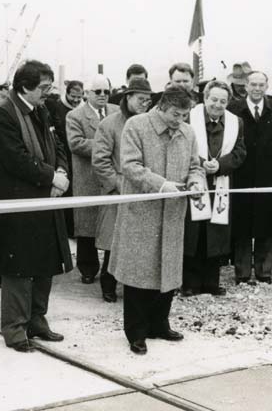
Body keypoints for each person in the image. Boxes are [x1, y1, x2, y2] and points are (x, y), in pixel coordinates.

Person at [109, 86, 205, 355]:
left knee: (169, 271)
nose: (181, 120)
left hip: (173, 213)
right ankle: (136, 332)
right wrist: (161, 185)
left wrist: (196, 182)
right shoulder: (136, 126)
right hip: (143, 214)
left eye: (186, 114)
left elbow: (195, 166)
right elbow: (130, 166)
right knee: (139, 274)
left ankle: (160, 324)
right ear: (162, 106)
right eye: (176, 113)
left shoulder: (188, 132)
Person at [0, 60, 73, 352]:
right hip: (18, 203)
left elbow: (58, 144)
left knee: (45, 264)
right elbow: (16, 158)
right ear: (25, 86)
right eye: (43, 87)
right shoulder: (3, 114)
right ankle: (15, 329)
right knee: (19, 268)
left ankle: (37, 320)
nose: (48, 93)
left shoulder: (42, 109)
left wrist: (60, 172)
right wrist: (52, 177)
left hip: (45, 201)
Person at [182, 81, 246, 296]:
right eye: (213, 100)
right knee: (194, 233)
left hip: (221, 182)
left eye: (222, 101)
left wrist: (220, 165)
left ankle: (211, 282)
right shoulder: (190, 118)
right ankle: (190, 283)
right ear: (205, 98)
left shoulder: (236, 122)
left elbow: (239, 152)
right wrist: (200, 163)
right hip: (195, 179)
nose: (217, 105)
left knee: (216, 233)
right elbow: (182, 147)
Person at [93, 79, 153, 302]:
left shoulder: (149, 123)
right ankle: (108, 284)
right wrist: (118, 184)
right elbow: (100, 160)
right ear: (127, 98)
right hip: (118, 192)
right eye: (140, 99)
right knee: (113, 242)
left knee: (138, 242)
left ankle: (134, 286)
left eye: (148, 100)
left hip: (144, 190)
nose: (144, 104)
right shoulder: (109, 124)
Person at [229, 71, 272, 284]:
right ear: (245, 85)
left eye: (261, 84)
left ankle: (264, 271)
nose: (257, 88)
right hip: (241, 174)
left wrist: (271, 164)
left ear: (267, 86)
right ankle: (242, 272)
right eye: (253, 84)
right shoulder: (234, 109)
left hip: (268, 175)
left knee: (267, 223)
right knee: (242, 224)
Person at [66, 75, 119, 289]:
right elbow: (76, 143)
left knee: (109, 225)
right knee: (86, 227)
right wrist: (106, 145)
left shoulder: (116, 112)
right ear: (87, 93)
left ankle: (110, 269)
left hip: (110, 176)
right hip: (87, 178)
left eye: (106, 92)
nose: (102, 96)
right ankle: (87, 269)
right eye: (97, 92)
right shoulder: (75, 115)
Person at [46, 80, 83, 245]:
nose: (75, 100)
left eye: (79, 97)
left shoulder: (83, 109)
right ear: (66, 94)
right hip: (64, 157)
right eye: (72, 96)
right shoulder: (57, 108)